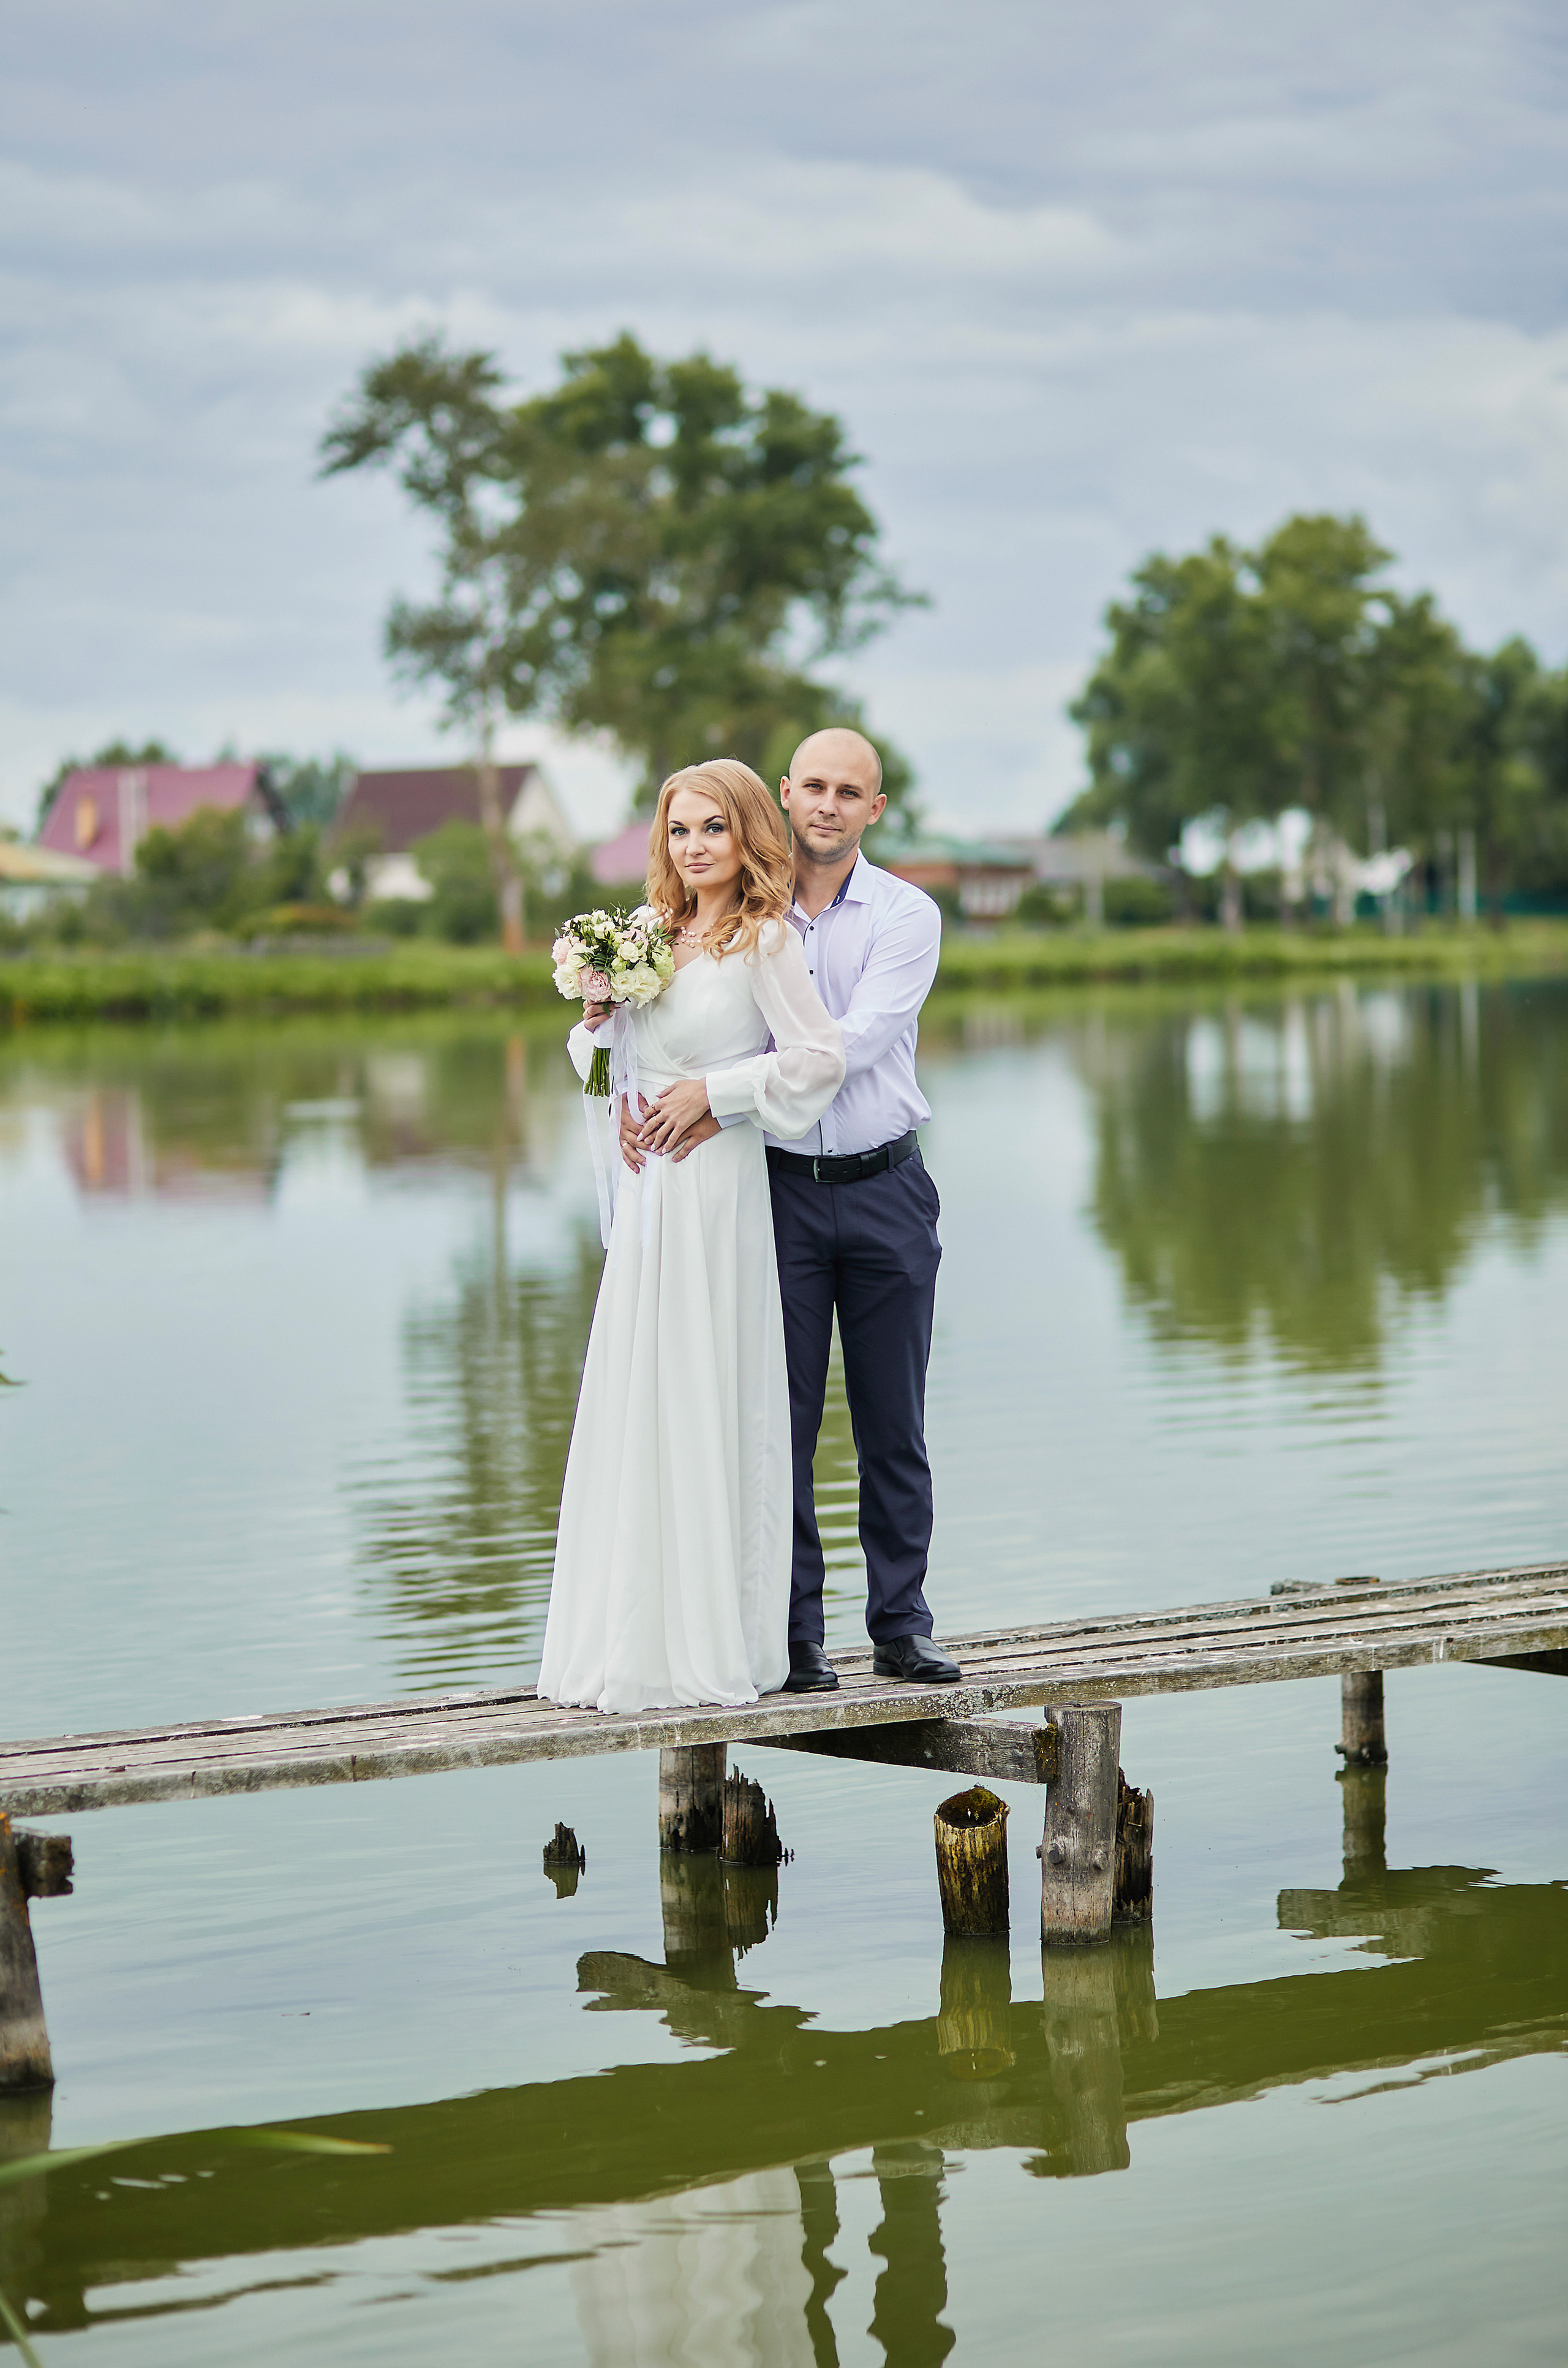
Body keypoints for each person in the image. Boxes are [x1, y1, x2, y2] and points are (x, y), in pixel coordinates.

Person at [625, 727, 959, 1693]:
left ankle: (901, 1626)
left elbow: (850, 1044)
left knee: (894, 1423)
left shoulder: (905, 915)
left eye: (849, 791)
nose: (828, 803)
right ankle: (795, 1637)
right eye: (813, 785)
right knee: (781, 1422)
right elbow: (669, 1034)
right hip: (776, 1195)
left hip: (888, 1187)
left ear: (874, 809)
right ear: (784, 793)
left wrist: (717, 1092)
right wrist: (629, 1080)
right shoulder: (741, 919)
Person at [537, 760, 845, 1715]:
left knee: (711, 1389)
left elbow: (819, 1060)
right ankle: (632, 1641)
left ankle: (716, 1641)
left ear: (748, 832)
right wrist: (602, 1044)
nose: (695, 846)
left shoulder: (765, 940)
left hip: (718, 1188)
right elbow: (606, 1069)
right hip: (650, 1196)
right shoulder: (646, 934)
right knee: (644, 1390)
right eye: (679, 830)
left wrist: (717, 1093)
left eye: (713, 827)